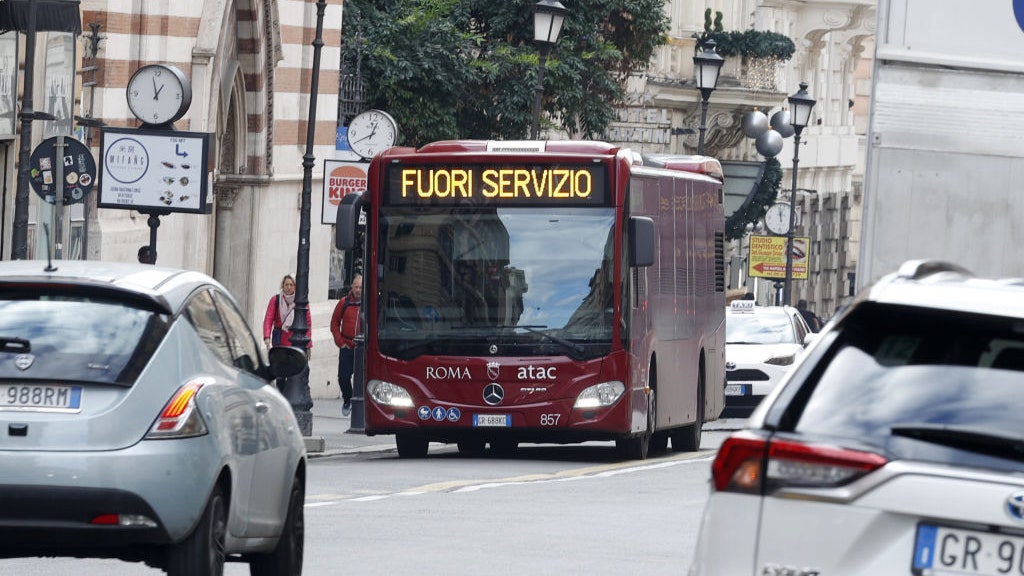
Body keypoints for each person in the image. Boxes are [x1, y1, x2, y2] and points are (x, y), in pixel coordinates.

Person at [263, 275, 313, 386]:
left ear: (295, 287)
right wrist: (267, 337)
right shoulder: (275, 300)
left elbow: (308, 324)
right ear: (283, 286)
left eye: (291, 285)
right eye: (287, 285)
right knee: (280, 374)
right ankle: (282, 396)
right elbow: (268, 318)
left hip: (294, 342)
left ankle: (290, 397)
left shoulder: (301, 301)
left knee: (294, 373)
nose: (289, 287)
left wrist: (308, 344)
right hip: (279, 341)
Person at [330, 275, 362, 417]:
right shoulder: (344, 302)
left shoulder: (369, 303)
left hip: (362, 348)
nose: (358, 290)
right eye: (356, 286)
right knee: (343, 377)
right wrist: (340, 342)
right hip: (347, 346)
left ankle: (361, 405)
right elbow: (334, 323)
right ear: (351, 287)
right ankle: (347, 399)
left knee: (362, 379)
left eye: (361, 287)